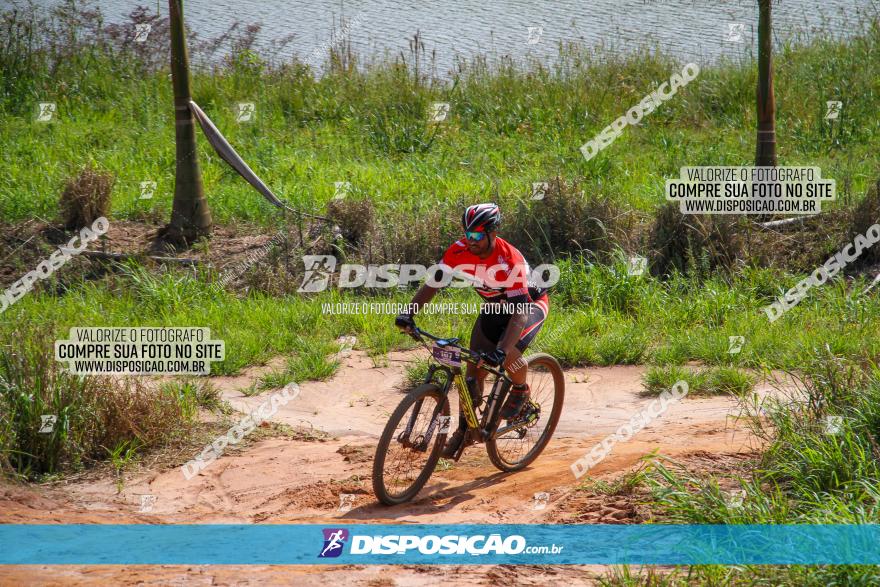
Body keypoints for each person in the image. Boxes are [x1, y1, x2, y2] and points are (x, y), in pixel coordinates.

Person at [395, 203, 549, 457]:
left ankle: (521, 389)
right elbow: (433, 284)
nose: (471, 241)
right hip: (495, 307)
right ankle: (464, 432)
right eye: (468, 235)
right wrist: (408, 314)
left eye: (477, 236)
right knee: (471, 377)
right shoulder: (458, 251)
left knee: (508, 354)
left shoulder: (509, 260)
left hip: (529, 306)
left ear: (493, 232)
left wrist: (500, 351)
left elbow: (520, 313)